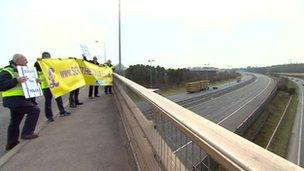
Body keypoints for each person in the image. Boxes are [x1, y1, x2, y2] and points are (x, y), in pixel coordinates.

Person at [0, 54, 40, 151]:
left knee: (15, 121)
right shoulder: (6, 71)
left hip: (20, 99)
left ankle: (11, 144)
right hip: (12, 99)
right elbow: (2, 86)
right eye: (25, 60)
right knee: (34, 110)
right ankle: (27, 133)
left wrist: (35, 81)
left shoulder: (24, 71)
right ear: (18, 61)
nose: (27, 62)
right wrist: (16, 80)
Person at [34, 52, 71, 122]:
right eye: (46, 56)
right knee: (48, 102)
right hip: (46, 86)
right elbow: (35, 73)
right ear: (43, 57)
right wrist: (39, 61)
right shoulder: (38, 64)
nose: (48, 58)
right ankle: (49, 117)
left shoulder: (51, 63)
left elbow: (60, 65)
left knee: (59, 99)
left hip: (54, 84)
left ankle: (62, 112)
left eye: (48, 56)